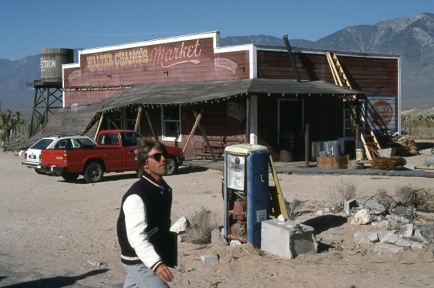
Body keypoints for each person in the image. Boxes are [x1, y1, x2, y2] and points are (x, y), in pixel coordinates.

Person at [117, 137, 176, 287]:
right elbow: (136, 236)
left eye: (165, 155)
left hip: (148, 253)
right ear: (145, 164)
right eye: (157, 156)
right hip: (138, 260)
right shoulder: (137, 195)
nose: (163, 159)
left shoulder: (162, 188)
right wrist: (156, 264)